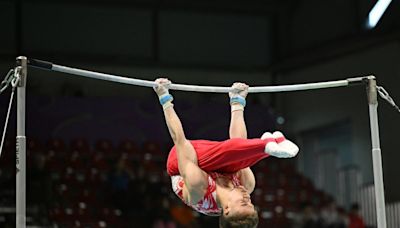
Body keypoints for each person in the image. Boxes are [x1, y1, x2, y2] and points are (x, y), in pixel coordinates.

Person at [153, 78, 299, 228]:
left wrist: (164, 98)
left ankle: (265, 147)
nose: (246, 197)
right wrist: (238, 104)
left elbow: (180, 141)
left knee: (222, 158)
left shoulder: (199, 191)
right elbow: (240, 147)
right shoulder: (247, 186)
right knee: (241, 160)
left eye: (243, 202)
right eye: (250, 201)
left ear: (227, 209)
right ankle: (237, 100)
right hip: (218, 162)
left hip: (182, 160)